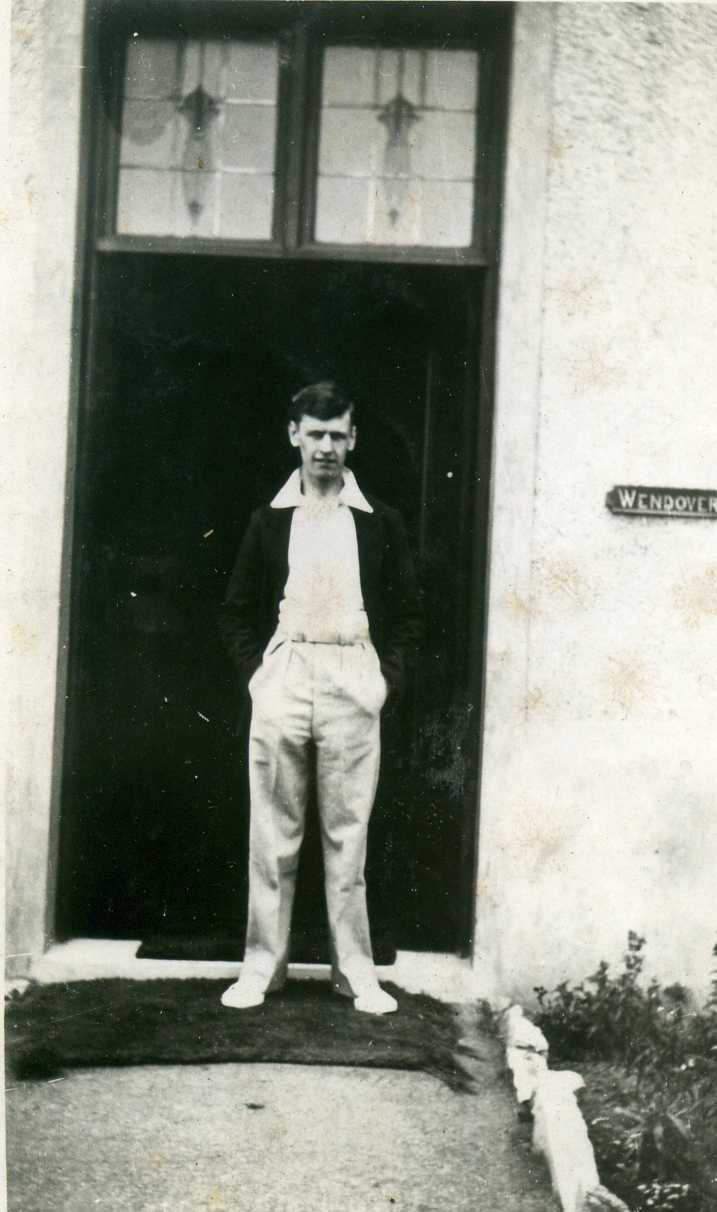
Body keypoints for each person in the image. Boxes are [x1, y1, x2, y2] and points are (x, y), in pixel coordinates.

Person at [219, 381, 421, 1014]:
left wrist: (383, 681)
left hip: (352, 675)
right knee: (272, 834)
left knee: (348, 835)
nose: (326, 447)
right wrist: (259, 677)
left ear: (353, 438)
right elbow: (235, 611)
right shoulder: (269, 518)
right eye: (315, 434)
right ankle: (261, 968)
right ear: (294, 435)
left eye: (338, 434)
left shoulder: (380, 520)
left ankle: (356, 973)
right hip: (286, 672)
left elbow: (410, 615)